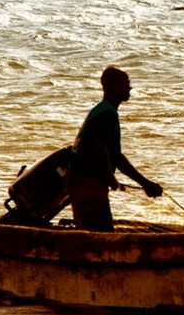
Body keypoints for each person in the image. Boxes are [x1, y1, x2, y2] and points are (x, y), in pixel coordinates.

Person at [67, 66, 163, 231]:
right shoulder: (108, 114)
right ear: (113, 86)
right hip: (88, 182)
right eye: (126, 83)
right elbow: (99, 150)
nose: (130, 87)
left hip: (79, 180)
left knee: (88, 232)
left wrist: (144, 183)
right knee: (100, 233)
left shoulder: (104, 109)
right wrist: (112, 178)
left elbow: (115, 155)